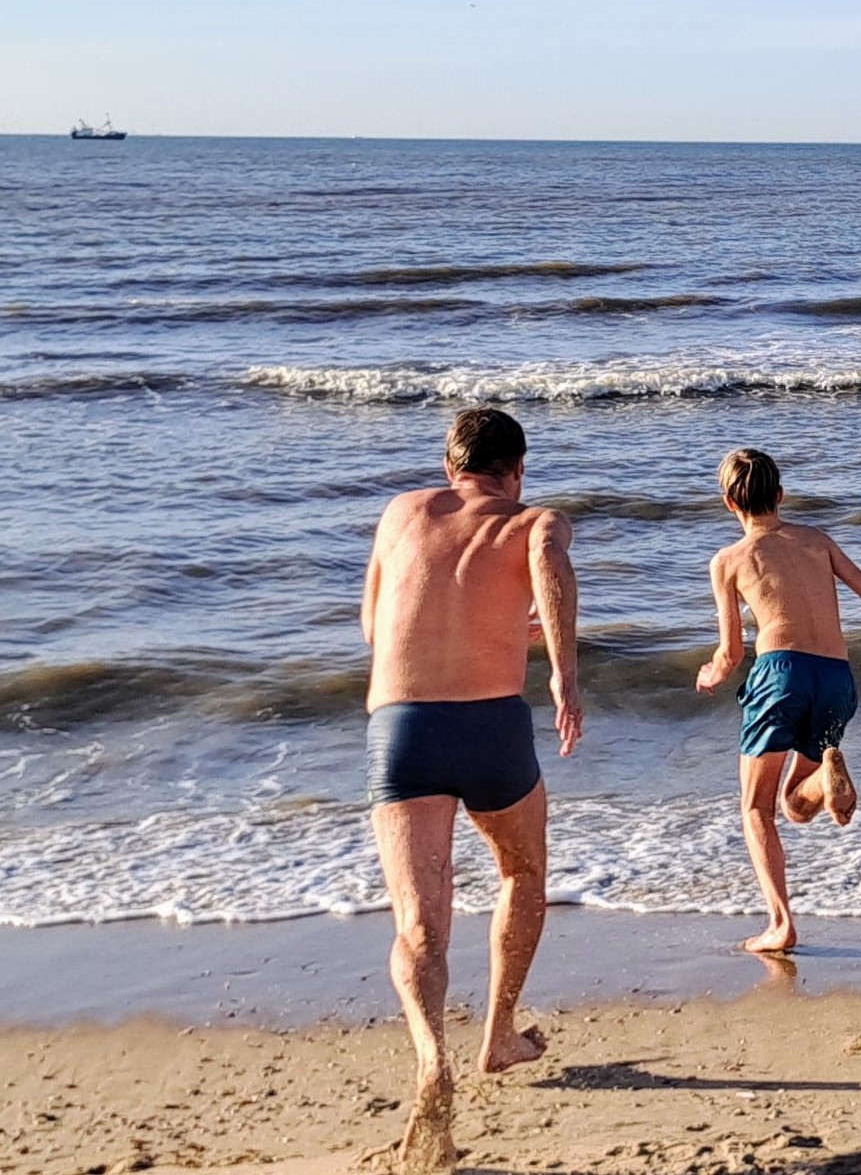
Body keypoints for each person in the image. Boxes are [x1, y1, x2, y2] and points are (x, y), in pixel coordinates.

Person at [359, 407, 582, 1175]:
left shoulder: (401, 510)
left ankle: (431, 1059)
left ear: (449, 463)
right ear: (517, 468)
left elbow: (372, 624)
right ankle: (499, 1034)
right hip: (490, 724)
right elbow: (550, 562)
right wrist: (561, 669)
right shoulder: (532, 517)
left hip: (401, 727)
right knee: (521, 872)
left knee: (420, 923)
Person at [696, 447, 861, 955]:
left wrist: (710, 674)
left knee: (755, 809)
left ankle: (781, 923)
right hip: (836, 678)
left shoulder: (728, 561)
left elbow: (732, 651)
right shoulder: (816, 541)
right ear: (781, 496)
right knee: (795, 806)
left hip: (779, 674)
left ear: (728, 503)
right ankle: (822, 776)